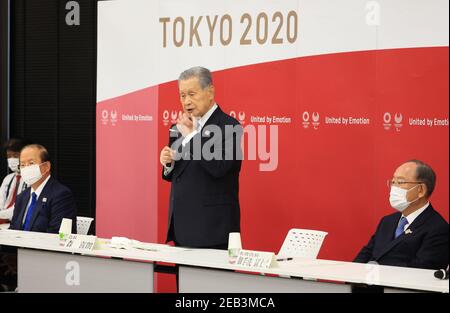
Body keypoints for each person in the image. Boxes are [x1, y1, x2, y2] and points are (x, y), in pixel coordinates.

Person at [160, 66, 242, 249]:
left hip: (212, 230)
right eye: (182, 95)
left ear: (210, 92)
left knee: (214, 279)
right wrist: (168, 163)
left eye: (192, 94)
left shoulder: (230, 127)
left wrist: (191, 136)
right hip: (182, 229)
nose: (186, 101)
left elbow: (219, 168)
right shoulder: (179, 126)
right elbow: (176, 175)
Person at [354, 160, 448, 270]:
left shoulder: (438, 229)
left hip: (395, 286)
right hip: (367, 284)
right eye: (393, 182)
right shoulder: (387, 221)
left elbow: (420, 271)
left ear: (421, 190)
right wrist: (353, 277)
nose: (394, 188)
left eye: (400, 182)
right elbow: (365, 254)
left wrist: (375, 274)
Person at [9, 144, 77, 233]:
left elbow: (56, 233)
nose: (26, 168)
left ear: (46, 167)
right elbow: (13, 229)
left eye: (31, 163)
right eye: (22, 165)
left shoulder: (61, 195)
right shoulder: (22, 197)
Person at [0, 138, 29, 226]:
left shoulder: (30, 179)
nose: (11, 159)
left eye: (15, 156)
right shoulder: (8, 178)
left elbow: (20, 209)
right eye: (9, 156)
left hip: (19, 224)